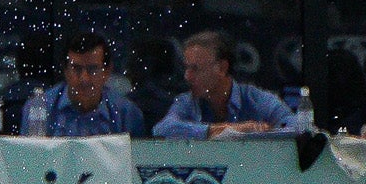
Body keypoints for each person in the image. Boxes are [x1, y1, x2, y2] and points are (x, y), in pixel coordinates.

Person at [152, 30, 296, 140]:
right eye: (186, 68)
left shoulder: (258, 99)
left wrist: (266, 133)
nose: (187, 76)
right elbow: (162, 129)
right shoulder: (186, 102)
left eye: (195, 69)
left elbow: (296, 128)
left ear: (222, 68)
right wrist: (225, 130)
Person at [38, 30, 145, 138]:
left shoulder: (127, 114)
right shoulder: (40, 108)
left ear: (107, 71)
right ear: (65, 71)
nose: (84, 79)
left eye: (92, 69)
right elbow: (31, 154)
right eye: (77, 69)